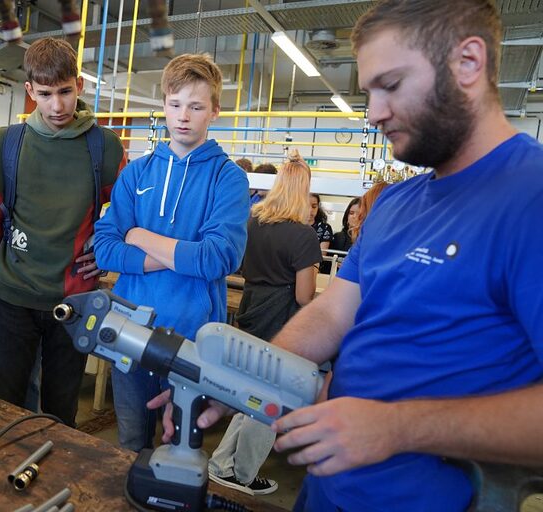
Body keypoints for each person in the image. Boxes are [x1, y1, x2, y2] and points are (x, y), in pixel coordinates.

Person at [150, 1, 543, 510]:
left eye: (392, 85)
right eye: (369, 91)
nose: (375, 112)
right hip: (329, 487)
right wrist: (235, 379)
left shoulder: (529, 198)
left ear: (468, 63)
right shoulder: (398, 203)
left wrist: (395, 427)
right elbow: (332, 314)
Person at [94, 53, 250, 452]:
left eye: (196, 107)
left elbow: (217, 259)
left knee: (178, 449)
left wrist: (139, 234)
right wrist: (180, 256)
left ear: (214, 110)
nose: (184, 116)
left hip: (192, 342)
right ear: (164, 103)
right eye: (175, 104)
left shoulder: (228, 178)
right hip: (130, 332)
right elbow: (104, 249)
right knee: (128, 443)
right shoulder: (137, 173)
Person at [0, 37, 125, 428]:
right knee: (4, 407)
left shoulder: (103, 147)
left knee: (61, 411)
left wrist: (105, 247)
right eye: (45, 94)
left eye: (66, 92)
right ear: (29, 91)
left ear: (80, 86)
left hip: (74, 302)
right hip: (13, 298)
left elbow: (127, 215)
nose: (57, 105)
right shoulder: (7, 144)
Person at [207, 149, 321, 496]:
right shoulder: (303, 236)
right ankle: (243, 475)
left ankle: (220, 463)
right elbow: (304, 297)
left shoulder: (253, 221)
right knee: (271, 400)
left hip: (252, 308)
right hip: (281, 319)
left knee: (248, 393)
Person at [309, 193, 333, 274]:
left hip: (315, 271)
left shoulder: (324, 228)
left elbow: (321, 254)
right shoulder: (293, 226)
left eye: (314, 206)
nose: (310, 210)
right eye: (306, 206)